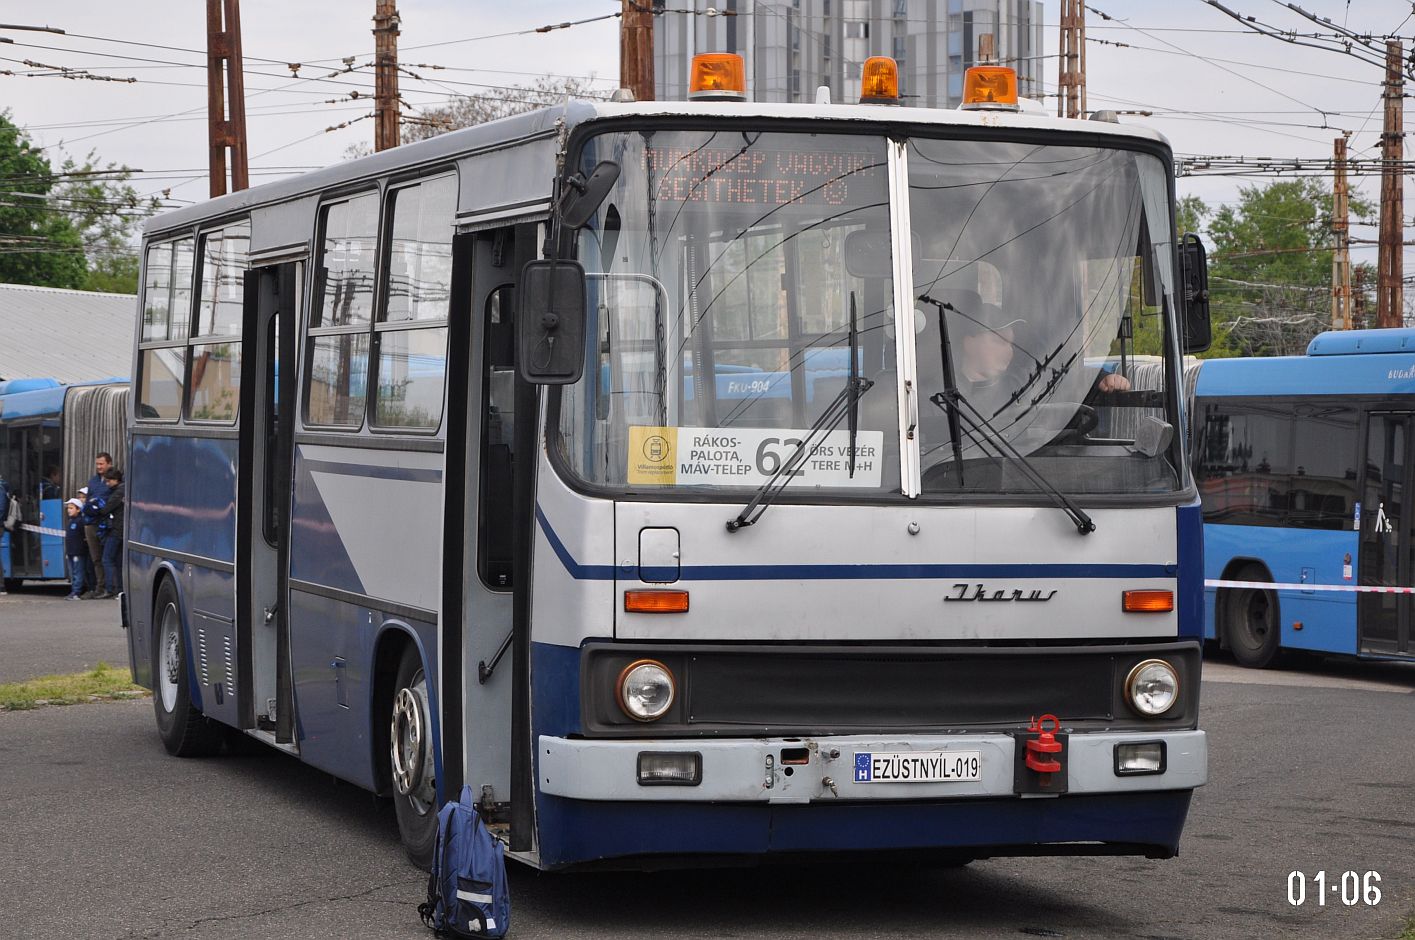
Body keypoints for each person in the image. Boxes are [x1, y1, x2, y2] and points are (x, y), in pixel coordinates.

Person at [84, 453, 113, 598]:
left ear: (109, 463)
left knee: (107, 558)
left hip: (106, 525)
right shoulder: (93, 481)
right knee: (96, 558)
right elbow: (88, 501)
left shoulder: (114, 480)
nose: (99, 467)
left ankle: (111, 587)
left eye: (101, 464)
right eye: (97, 464)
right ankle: (100, 587)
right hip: (91, 524)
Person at [98, 467, 124, 598]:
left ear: (115, 480)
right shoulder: (123, 490)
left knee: (107, 559)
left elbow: (106, 509)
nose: (107, 484)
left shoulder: (118, 492)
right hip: (122, 530)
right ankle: (120, 589)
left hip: (116, 530)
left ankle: (110, 588)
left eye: (109, 481)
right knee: (118, 561)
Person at [64, 498, 92, 600]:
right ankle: (73, 591)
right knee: (72, 573)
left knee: (78, 572)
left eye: (71, 508)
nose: (69, 510)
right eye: (68, 508)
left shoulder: (81, 521)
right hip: (70, 552)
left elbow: (85, 537)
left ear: (78, 509)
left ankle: (77, 592)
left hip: (78, 552)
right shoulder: (71, 521)